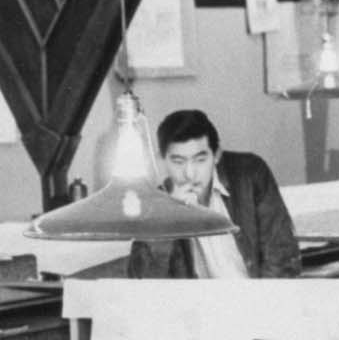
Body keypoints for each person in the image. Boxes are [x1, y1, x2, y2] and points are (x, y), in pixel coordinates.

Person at [125, 107, 300, 279]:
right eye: (178, 162)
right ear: (162, 160)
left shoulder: (250, 173)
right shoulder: (156, 206)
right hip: (199, 306)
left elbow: (282, 256)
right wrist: (169, 218)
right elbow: (143, 282)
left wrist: (261, 305)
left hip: (259, 300)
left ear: (216, 155)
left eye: (200, 160)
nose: (190, 174)